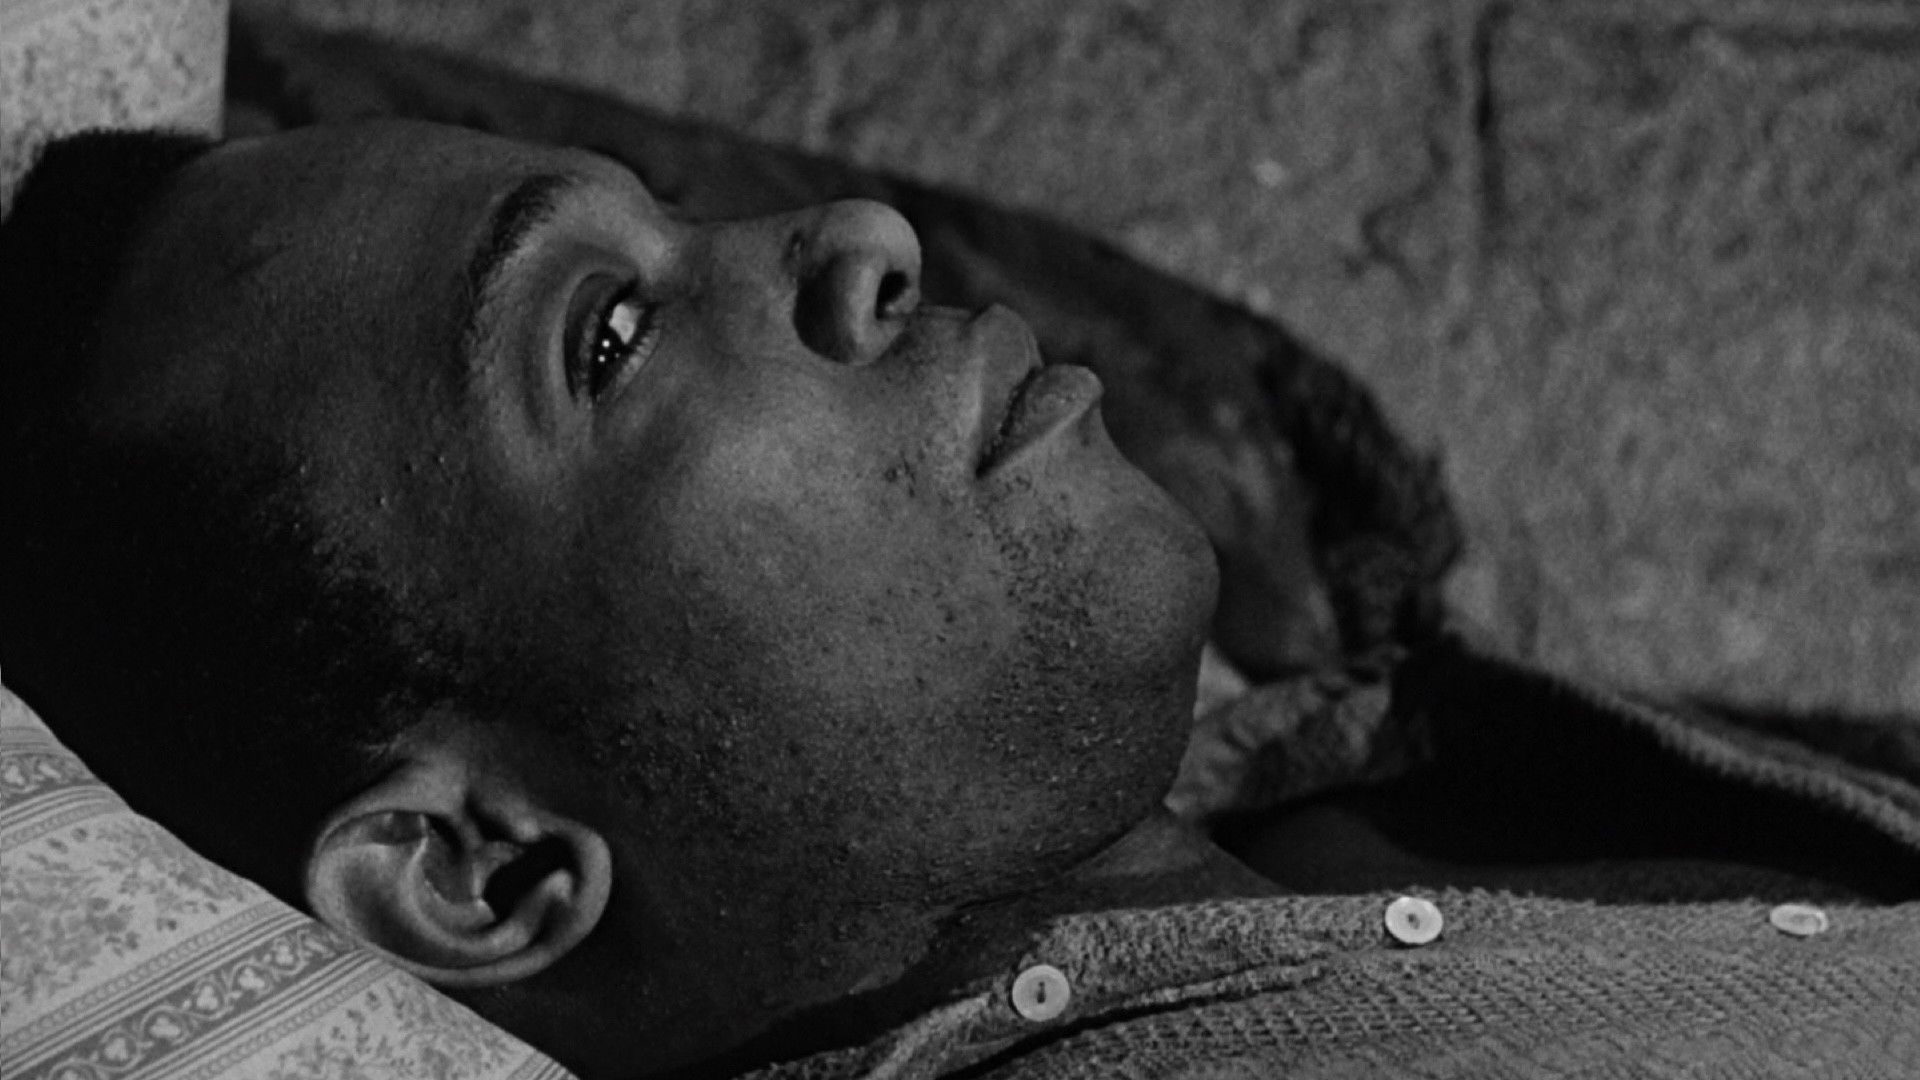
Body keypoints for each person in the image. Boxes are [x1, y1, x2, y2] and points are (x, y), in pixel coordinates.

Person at [2, 121, 1918, 1080]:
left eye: (673, 215)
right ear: (482, 872)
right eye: (608, 337)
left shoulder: (1358, 758)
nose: (859, 238)